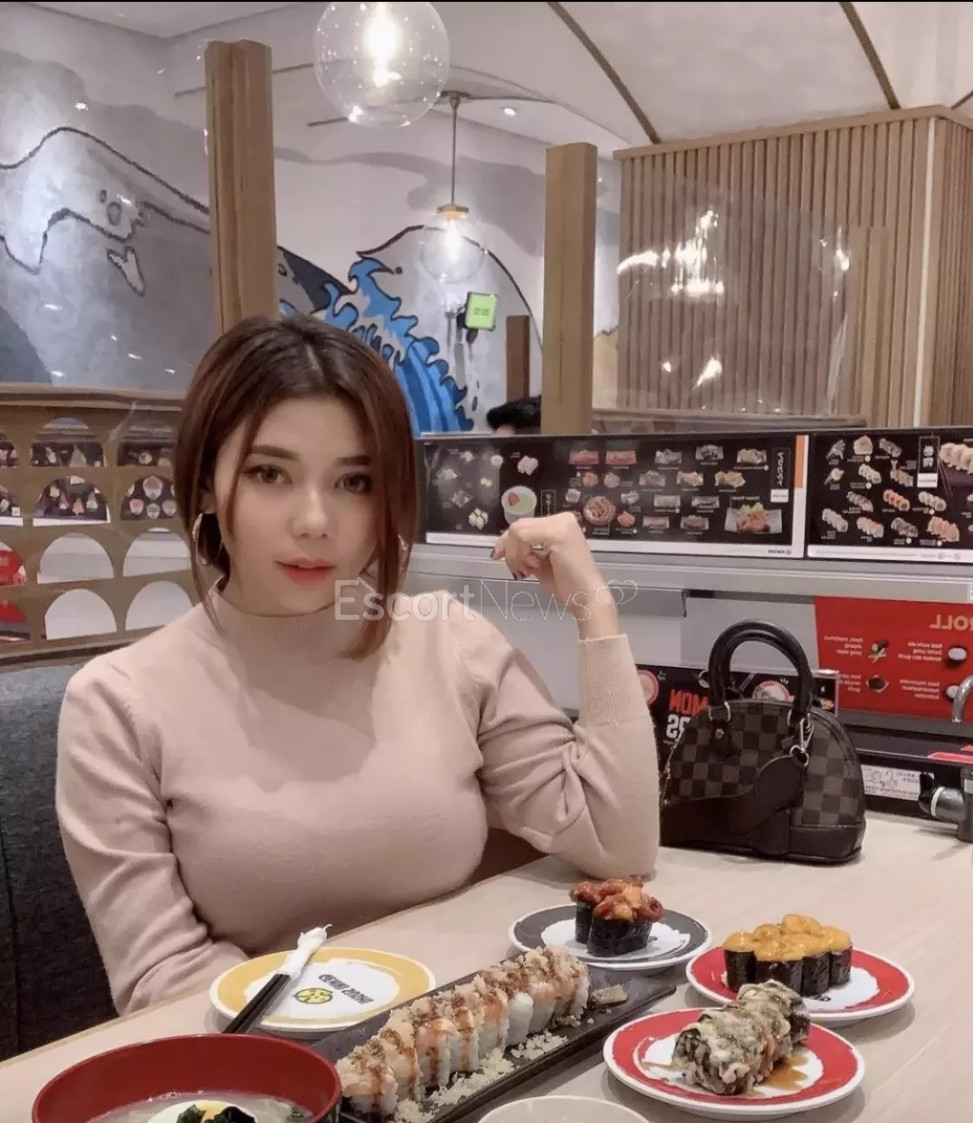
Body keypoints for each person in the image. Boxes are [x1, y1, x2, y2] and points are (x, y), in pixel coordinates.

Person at [55, 315, 659, 1016]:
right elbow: (162, 977)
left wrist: (594, 607)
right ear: (205, 484)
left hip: (469, 1036)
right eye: (269, 473)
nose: (315, 520)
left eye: (355, 481)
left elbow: (617, 844)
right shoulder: (117, 705)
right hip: (278, 1061)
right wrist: (371, 1042)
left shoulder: (449, 642)